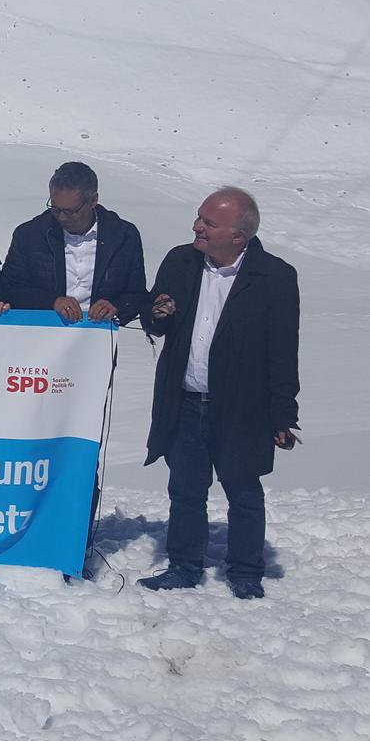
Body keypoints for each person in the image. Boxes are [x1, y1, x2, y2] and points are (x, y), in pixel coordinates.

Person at [138, 188, 300, 600]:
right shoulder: (181, 261)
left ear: (238, 236)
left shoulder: (275, 277)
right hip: (186, 401)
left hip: (243, 409)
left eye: (208, 223)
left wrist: (283, 415)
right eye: (199, 218)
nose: (197, 227)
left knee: (243, 492)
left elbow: (283, 352)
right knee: (185, 491)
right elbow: (154, 319)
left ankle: (246, 572)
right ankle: (184, 566)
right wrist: (157, 314)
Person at [0, 161, 149, 323]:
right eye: (55, 209)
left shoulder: (124, 236)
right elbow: (10, 289)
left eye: (70, 211)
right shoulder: (29, 235)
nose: (61, 217)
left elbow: (136, 295)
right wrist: (52, 302)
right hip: (39, 335)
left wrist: (116, 307)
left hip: (99, 337)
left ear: (93, 200)